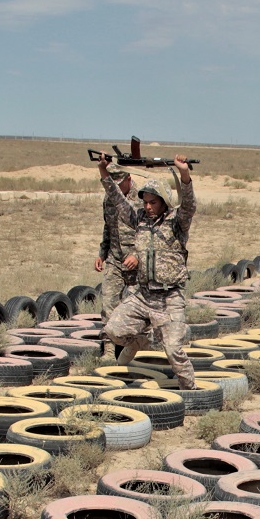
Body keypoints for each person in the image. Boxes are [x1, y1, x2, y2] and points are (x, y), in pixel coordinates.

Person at [97, 152, 198, 390]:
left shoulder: (177, 222)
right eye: (145, 202)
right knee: (112, 331)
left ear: (164, 201)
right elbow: (118, 200)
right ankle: (139, 340)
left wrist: (184, 173)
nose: (148, 207)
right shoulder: (139, 219)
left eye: (153, 202)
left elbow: (189, 204)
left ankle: (192, 392)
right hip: (143, 295)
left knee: (173, 350)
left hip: (169, 297)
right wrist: (103, 171)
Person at [95, 164, 140, 358]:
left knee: (138, 306)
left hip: (139, 264)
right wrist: (102, 253)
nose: (115, 188)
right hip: (115, 258)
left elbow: (151, 234)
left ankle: (137, 348)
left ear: (129, 179)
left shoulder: (145, 200)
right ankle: (109, 350)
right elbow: (108, 227)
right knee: (108, 302)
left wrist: (137, 255)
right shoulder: (109, 199)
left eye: (119, 183)